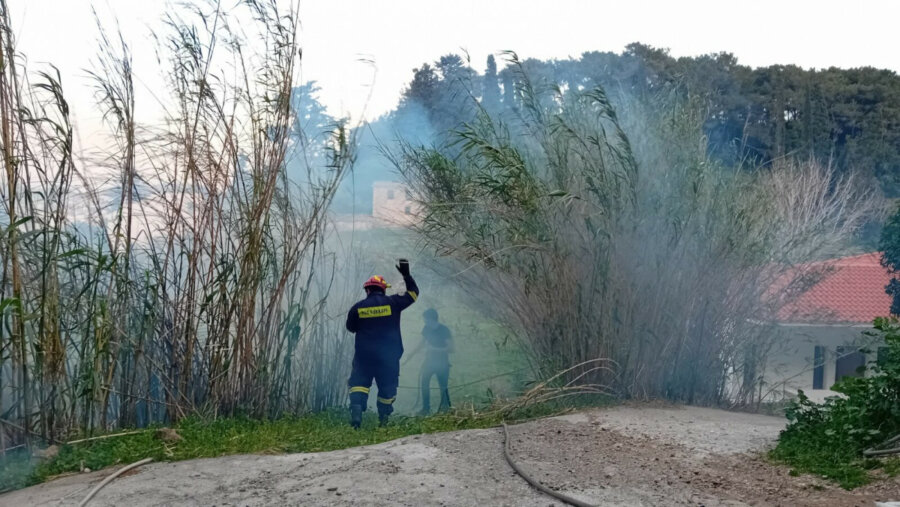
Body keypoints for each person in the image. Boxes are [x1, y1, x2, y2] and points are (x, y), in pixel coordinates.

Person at [345, 259, 418, 429]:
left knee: (359, 384)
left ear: (368, 290)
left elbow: (351, 328)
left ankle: (356, 414)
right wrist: (406, 275)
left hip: (364, 357)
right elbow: (413, 294)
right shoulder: (393, 303)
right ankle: (383, 421)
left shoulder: (358, 308)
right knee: (387, 388)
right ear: (383, 290)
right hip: (388, 357)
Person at [404, 308, 453, 415]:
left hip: (442, 363)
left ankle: (446, 408)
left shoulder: (444, 330)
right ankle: (425, 409)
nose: (425, 322)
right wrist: (411, 354)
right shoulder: (426, 328)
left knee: (443, 386)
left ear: (432, 319)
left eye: (426, 320)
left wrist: (436, 349)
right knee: (424, 384)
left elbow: (451, 348)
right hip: (429, 362)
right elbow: (421, 343)